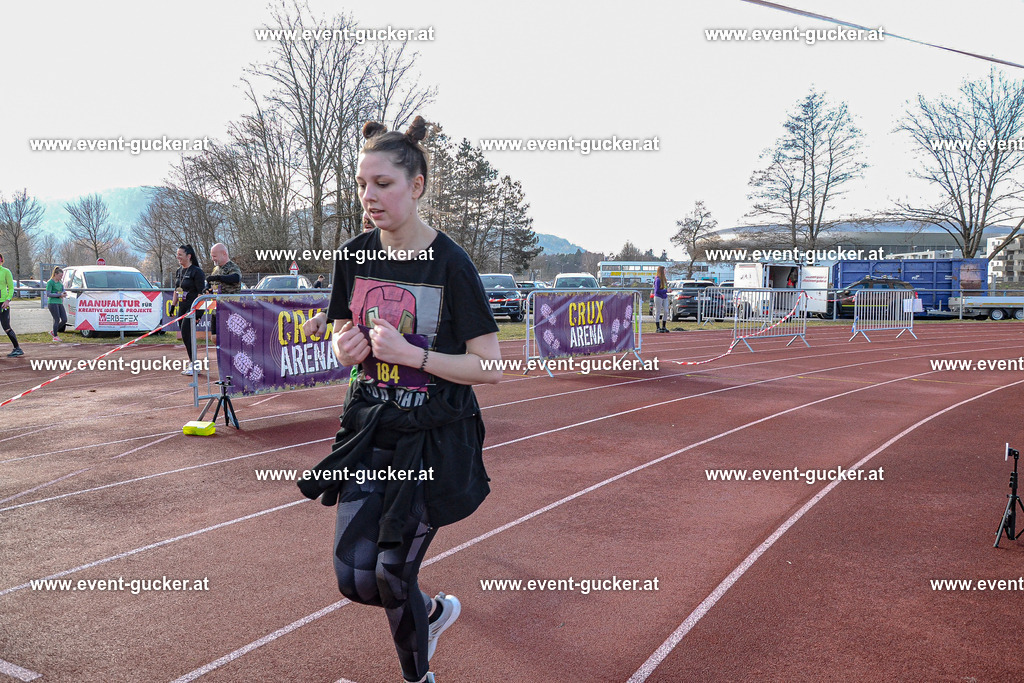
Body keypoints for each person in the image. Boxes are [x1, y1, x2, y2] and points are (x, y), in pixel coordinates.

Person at [297, 117, 501, 683]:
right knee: (354, 579)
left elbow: (489, 366)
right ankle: (431, 614)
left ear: (417, 186)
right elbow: (344, 330)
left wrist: (416, 356)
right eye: (362, 184)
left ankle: (419, 677)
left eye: (383, 184)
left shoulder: (452, 264)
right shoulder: (353, 256)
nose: (369, 197)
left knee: (391, 573)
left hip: (432, 439)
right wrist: (343, 346)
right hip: (369, 429)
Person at [171, 244, 205, 376]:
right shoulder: (179, 271)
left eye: (180, 254)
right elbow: (177, 289)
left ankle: (194, 364)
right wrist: (173, 306)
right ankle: (193, 362)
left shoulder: (197, 272)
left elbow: (202, 294)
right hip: (182, 306)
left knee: (186, 333)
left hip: (192, 308)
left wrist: (199, 313)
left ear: (188, 256)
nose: (178, 257)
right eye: (177, 254)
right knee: (185, 336)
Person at [204, 242, 242, 335]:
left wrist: (218, 277)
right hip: (216, 309)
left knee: (227, 337)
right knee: (214, 337)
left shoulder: (232, 267)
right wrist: (206, 288)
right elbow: (210, 283)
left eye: (214, 256)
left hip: (230, 309)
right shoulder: (215, 269)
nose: (213, 259)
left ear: (224, 254)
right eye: (212, 256)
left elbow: (236, 278)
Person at [0, 253, 23, 357]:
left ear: (1, 260)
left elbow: (11, 288)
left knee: (6, 327)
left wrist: (7, 300)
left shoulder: (5, 271)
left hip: (3, 303)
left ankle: (17, 348)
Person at [45, 266, 68, 342]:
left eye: (62, 276)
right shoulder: (50, 282)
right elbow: (48, 294)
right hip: (52, 303)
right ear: (55, 274)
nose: (61, 278)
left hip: (59, 302)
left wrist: (64, 294)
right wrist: (59, 295)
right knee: (57, 319)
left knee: (64, 319)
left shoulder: (60, 283)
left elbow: (63, 290)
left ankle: (53, 331)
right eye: (60, 276)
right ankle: (55, 336)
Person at [653, 265, 669, 333]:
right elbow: (657, 291)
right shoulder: (658, 279)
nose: (665, 271)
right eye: (664, 270)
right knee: (658, 311)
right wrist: (666, 291)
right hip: (658, 297)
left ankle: (664, 326)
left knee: (666, 311)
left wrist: (667, 291)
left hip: (664, 297)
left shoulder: (664, 279)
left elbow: (665, 288)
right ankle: (658, 327)